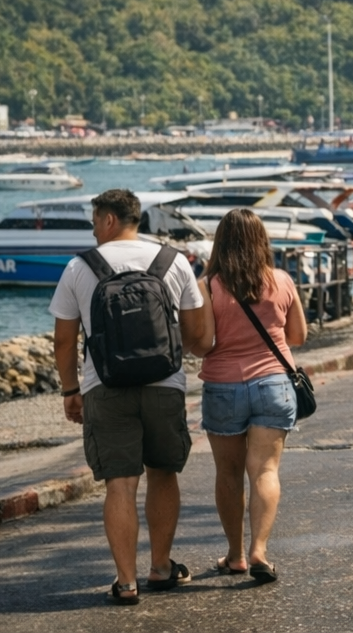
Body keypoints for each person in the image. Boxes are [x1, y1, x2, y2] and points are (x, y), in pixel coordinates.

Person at [49, 189, 213, 605]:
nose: (93, 230)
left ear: (108, 220)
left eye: (94, 222)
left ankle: (126, 582)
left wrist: (71, 390)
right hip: (164, 385)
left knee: (120, 484)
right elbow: (196, 334)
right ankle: (160, 567)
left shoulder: (79, 267)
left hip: (105, 388)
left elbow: (64, 341)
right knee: (163, 473)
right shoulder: (173, 261)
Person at [198, 208, 308, 585]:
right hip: (274, 384)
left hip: (223, 386)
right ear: (262, 240)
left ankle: (236, 555)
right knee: (265, 470)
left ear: (220, 242)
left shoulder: (207, 286)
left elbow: (204, 343)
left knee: (228, 473)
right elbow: (298, 336)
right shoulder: (282, 280)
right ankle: (260, 549)